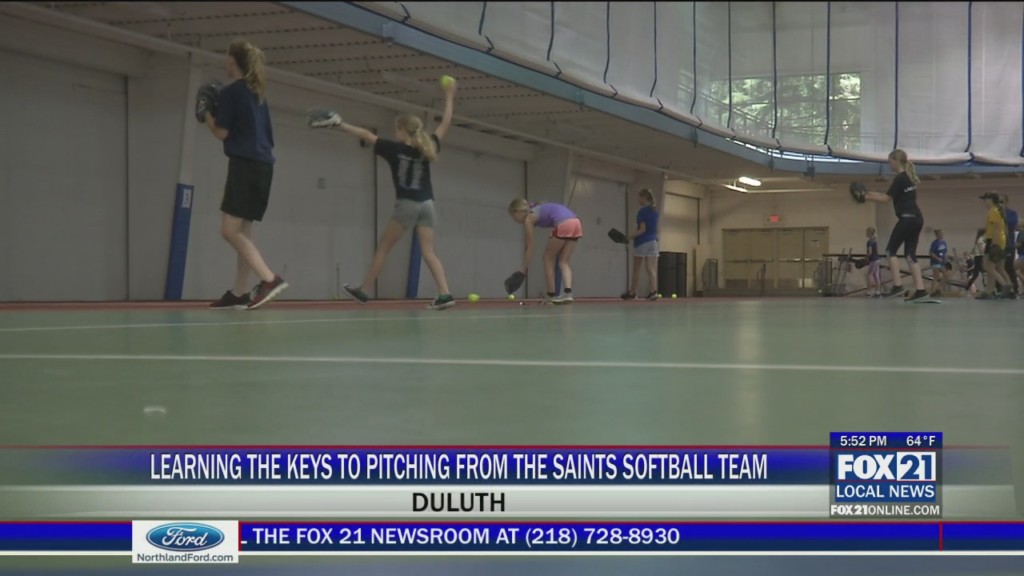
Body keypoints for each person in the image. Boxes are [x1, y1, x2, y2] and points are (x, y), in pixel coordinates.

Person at [334, 80, 458, 310]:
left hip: (407, 204)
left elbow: (366, 135)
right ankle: (445, 293)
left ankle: (364, 290)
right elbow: (446, 122)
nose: (394, 132)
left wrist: (341, 124)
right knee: (428, 251)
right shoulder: (428, 146)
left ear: (402, 130)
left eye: (396, 129)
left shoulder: (393, 149)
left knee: (384, 247)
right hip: (428, 204)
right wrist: (449, 94)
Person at [202, 39, 288, 310]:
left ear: (233, 61)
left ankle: (269, 279)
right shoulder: (258, 94)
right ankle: (240, 292)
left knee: (228, 231)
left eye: (227, 57)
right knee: (244, 232)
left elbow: (221, 133)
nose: (224, 62)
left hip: (245, 166)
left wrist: (206, 114)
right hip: (264, 167)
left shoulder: (232, 92)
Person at [859, 149, 928, 301]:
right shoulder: (908, 177)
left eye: (890, 161)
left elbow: (885, 199)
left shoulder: (900, 178)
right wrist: (867, 193)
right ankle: (920, 289)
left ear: (896, 161)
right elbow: (886, 195)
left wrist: (865, 197)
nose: (889, 165)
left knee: (890, 251)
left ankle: (897, 286)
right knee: (910, 255)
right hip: (917, 219)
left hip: (907, 219)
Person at [508, 200, 583, 304]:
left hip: (564, 223)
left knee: (547, 258)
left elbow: (530, 248)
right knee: (563, 261)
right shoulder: (535, 211)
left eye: (513, 216)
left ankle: (551, 296)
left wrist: (522, 271)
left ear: (518, 211)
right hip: (576, 223)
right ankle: (568, 293)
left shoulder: (528, 218)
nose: (514, 219)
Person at [622, 188, 660, 301]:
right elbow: (656, 229)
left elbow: (642, 230)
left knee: (636, 269)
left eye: (639, 197)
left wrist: (628, 237)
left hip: (642, 242)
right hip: (653, 242)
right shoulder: (655, 212)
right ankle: (654, 291)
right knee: (651, 268)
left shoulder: (642, 211)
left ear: (644, 198)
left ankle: (632, 292)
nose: (638, 199)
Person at [978, 193, 1014, 299]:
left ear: (991, 200)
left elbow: (996, 228)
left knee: (987, 266)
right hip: (999, 240)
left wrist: (994, 244)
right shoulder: (997, 211)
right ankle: (989, 291)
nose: (984, 202)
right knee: (995, 268)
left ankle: (1005, 286)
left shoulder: (993, 211)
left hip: (994, 240)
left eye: (985, 199)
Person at [1003, 195, 1020, 296]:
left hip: (1009, 244)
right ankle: (1001, 289)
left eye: (1002, 202)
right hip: (998, 245)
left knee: (1009, 267)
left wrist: (1003, 217)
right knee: (999, 268)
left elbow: (1012, 225)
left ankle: (1015, 289)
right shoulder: (995, 213)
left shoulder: (1012, 213)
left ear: (1006, 202)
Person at [964, 229, 986, 297]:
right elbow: (981, 250)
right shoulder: (980, 239)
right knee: (984, 273)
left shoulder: (980, 239)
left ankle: (967, 288)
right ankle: (986, 288)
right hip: (979, 258)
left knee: (976, 275)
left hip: (978, 257)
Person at [928, 229, 948, 297]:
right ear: (937, 235)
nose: (941, 235)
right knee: (936, 276)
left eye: (942, 234)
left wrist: (945, 258)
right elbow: (931, 253)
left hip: (942, 262)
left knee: (946, 275)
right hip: (935, 262)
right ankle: (933, 291)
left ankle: (938, 289)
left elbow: (945, 252)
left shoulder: (944, 242)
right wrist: (937, 258)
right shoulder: (935, 243)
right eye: (939, 234)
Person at [865, 227, 882, 297]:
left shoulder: (869, 242)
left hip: (873, 260)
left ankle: (869, 291)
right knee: (876, 275)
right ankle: (878, 291)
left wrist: (866, 257)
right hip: (878, 259)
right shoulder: (875, 241)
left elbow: (870, 252)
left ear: (869, 233)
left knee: (870, 274)